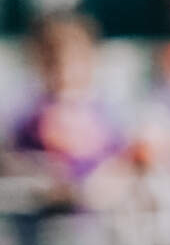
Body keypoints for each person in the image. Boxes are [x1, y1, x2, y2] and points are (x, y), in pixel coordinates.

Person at [10, 14, 127, 191]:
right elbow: (14, 158)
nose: (63, 70)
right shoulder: (30, 117)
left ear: (92, 59)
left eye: (74, 60)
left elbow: (123, 155)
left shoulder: (108, 114)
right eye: (52, 61)